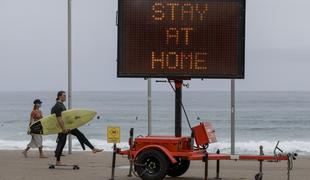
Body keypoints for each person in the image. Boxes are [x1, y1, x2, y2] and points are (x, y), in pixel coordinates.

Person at [52, 91, 102, 165]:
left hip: (67, 127)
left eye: (65, 95)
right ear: (59, 96)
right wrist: (63, 129)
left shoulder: (61, 105)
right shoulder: (58, 106)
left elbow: (66, 117)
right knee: (61, 143)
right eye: (64, 95)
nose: (65, 97)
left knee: (79, 135)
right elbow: (59, 118)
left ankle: (93, 149)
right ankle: (58, 161)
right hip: (63, 128)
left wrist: (76, 118)